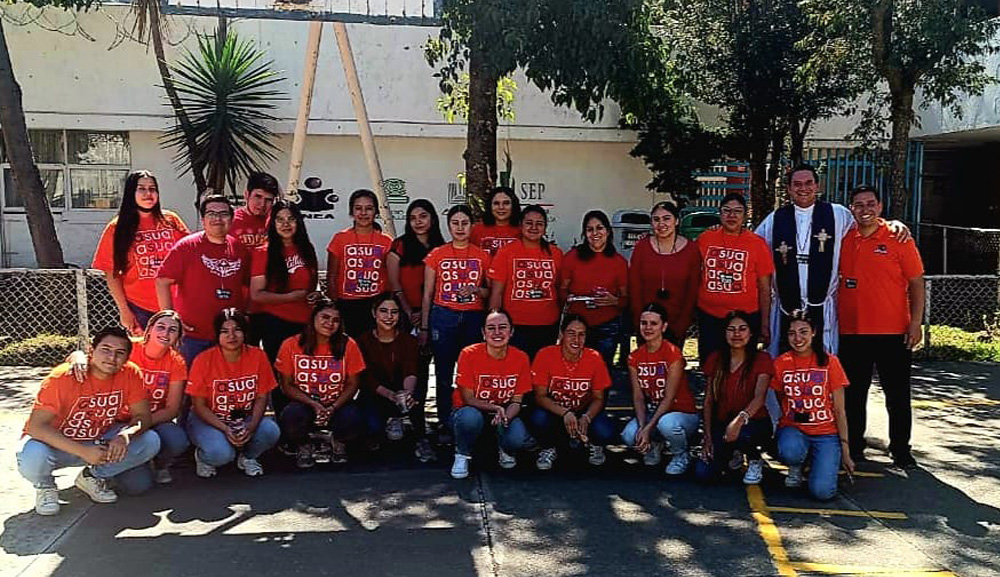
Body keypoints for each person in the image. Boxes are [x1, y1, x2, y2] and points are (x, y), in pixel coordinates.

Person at [755, 164, 909, 356]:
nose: (803, 188)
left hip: (824, 306)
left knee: (824, 359)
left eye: (809, 183)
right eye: (797, 184)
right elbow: (754, 246)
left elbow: (865, 225)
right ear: (789, 188)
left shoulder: (837, 213)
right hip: (786, 306)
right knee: (785, 359)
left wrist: (891, 224)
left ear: (817, 186)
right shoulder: (776, 218)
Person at [17, 327, 160, 516]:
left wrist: (125, 435)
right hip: (58, 443)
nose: (112, 358)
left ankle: (92, 476)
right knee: (31, 453)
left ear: (127, 358)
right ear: (91, 351)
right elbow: (36, 427)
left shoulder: (130, 373)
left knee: (150, 442)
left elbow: (143, 416)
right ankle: (45, 486)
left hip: (99, 439)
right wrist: (83, 452)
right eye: (106, 350)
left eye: (120, 353)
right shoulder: (63, 376)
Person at [838, 185, 925, 468]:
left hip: (893, 332)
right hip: (852, 332)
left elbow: (916, 282)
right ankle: (855, 446)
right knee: (854, 396)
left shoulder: (898, 237)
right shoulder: (844, 237)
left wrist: (915, 323)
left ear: (880, 206)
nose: (865, 209)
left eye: (870, 203)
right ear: (851, 209)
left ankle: (900, 449)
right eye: (859, 204)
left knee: (897, 395)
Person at [68, 311, 191, 485]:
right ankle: (101, 468)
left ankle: (159, 464)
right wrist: (78, 357)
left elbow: (172, 410)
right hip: (114, 419)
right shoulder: (130, 347)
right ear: (149, 329)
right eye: (160, 327)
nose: (165, 333)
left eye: (172, 330)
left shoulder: (176, 362)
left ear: (178, 337)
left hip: (150, 420)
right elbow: (89, 355)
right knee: (137, 485)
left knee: (177, 439)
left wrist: (138, 425)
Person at [156, 194, 251, 366]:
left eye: (223, 214)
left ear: (232, 219)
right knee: (189, 379)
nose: (217, 219)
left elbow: (247, 286)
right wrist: (171, 318)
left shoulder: (239, 249)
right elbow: (162, 281)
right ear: (203, 219)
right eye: (211, 214)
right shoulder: (186, 247)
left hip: (228, 337)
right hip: (192, 337)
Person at [421, 204, 491, 437]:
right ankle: (445, 420)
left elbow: (490, 291)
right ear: (448, 226)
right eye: (455, 223)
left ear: (472, 226)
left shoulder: (482, 255)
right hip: (444, 316)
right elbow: (427, 294)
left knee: (471, 373)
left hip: (473, 317)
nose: (460, 228)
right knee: (443, 372)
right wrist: (424, 327)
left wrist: (476, 289)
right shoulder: (437, 254)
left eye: (465, 223)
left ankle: (471, 419)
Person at [185, 309, 280, 478]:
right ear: (217, 335)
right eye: (224, 331)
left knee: (270, 431)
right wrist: (225, 428)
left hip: (245, 418)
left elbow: (262, 397)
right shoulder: (203, 360)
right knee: (220, 454)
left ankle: (248, 457)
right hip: (210, 419)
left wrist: (251, 426)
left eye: (237, 330)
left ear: (245, 332)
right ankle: (204, 458)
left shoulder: (258, 356)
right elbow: (199, 405)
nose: (231, 336)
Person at [92, 170, 188, 335]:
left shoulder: (171, 220)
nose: (148, 193)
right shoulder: (116, 228)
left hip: (176, 305)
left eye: (152, 189)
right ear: (131, 192)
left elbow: (190, 256)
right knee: (147, 351)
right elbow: (112, 274)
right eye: (141, 189)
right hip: (140, 309)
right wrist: (124, 310)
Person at [275, 299, 368, 467]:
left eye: (335, 320)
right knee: (291, 416)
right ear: (313, 318)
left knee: (353, 418)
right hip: (304, 403)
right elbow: (286, 385)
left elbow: (353, 383)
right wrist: (313, 404)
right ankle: (304, 445)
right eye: (325, 317)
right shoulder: (290, 344)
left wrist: (333, 407)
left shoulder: (349, 345)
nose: (330, 323)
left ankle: (338, 442)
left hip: (337, 403)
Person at [773, 310, 854, 500]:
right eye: (792, 333)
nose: (797, 338)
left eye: (803, 332)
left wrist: (845, 450)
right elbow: (781, 397)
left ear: (814, 332)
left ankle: (817, 464)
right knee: (790, 450)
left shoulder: (830, 362)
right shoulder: (780, 363)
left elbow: (840, 410)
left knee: (822, 492)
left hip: (826, 433)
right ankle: (797, 465)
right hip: (794, 428)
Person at [450, 309, 535, 479]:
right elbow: (468, 398)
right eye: (491, 328)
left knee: (518, 438)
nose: (497, 332)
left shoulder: (521, 357)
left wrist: (506, 417)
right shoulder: (468, 354)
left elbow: (517, 401)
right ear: (483, 332)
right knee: (469, 418)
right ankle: (462, 454)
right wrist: (495, 408)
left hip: (503, 412)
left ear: (511, 331)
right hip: (472, 410)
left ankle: (504, 447)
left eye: (502, 327)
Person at [694, 311, 774, 485]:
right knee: (703, 473)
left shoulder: (762, 359)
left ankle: (754, 458)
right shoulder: (715, 359)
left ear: (751, 333)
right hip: (723, 422)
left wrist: (738, 421)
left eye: (742, 329)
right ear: (724, 333)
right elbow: (708, 401)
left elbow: (759, 398)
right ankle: (733, 453)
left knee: (744, 435)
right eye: (731, 329)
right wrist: (707, 436)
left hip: (752, 422)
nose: (737, 334)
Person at [528, 315, 616, 470]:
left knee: (606, 431)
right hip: (555, 411)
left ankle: (594, 444)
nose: (576, 339)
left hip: (583, 410)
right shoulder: (545, 355)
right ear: (561, 334)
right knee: (537, 418)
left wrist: (587, 417)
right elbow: (540, 397)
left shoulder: (594, 357)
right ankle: (548, 447)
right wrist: (565, 413)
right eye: (571, 333)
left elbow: (599, 398)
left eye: (581, 334)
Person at [357, 293, 436, 463]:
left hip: (401, 389)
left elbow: (410, 370)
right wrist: (389, 395)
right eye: (383, 311)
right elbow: (366, 377)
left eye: (394, 312)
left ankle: (421, 438)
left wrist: (407, 394)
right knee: (372, 426)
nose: (389, 316)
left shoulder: (408, 341)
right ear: (374, 313)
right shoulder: (363, 340)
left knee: (416, 393)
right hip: (377, 392)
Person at [621, 303, 699, 475]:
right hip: (653, 413)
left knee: (667, 424)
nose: (648, 327)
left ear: (663, 327)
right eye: (644, 323)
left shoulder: (673, 353)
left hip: (681, 413)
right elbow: (638, 397)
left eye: (653, 323)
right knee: (629, 435)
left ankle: (681, 454)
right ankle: (655, 444)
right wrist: (642, 426)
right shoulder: (634, 357)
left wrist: (648, 428)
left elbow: (669, 398)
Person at [696, 193, 774, 362]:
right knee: (710, 366)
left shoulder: (757, 244)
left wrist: (765, 324)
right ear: (720, 214)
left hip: (746, 318)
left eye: (737, 211)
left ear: (745, 216)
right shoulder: (705, 239)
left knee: (743, 367)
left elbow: (765, 287)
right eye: (727, 210)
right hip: (710, 316)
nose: (732, 215)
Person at [250, 199, 321, 367]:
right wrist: (290, 297)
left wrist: (316, 295)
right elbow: (256, 294)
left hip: (305, 323)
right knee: (280, 373)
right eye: (280, 219)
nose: (285, 224)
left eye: (291, 219)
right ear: (272, 223)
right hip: (276, 324)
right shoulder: (263, 252)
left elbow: (313, 283)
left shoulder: (307, 249)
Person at [488, 204, 563, 359]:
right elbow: (497, 293)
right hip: (515, 327)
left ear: (545, 227)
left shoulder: (556, 254)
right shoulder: (506, 252)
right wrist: (494, 325)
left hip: (548, 326)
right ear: (521, 225)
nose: (534, 227)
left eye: (539, 223)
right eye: (529, 223)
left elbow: (560, 291)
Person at [559, 210, 628, 373]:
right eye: (590, 229)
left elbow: (625, 298)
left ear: (608, 231)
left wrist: (614, 301)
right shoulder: (572, 257)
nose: (595, 233)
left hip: (607, 326)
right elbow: (562, 290)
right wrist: (571, 299)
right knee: (574, 370)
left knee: (602, 371)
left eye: (599, 228)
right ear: (584, 234)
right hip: (577, 325)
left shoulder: (619, 262)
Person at [628, 201, 700, 346]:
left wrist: (683, 323)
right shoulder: (642, 247)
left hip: (677, 322)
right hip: (647, 323)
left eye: (666, 218)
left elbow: (692, 290)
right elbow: (634, 287)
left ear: (676, 221)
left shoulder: (691, 250)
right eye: (656, 219)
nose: (661, 224)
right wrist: (640, 321)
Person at [326, 189, 394, 338]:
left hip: (375, 304)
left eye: (369, 208)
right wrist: (335, 306)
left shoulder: (386, 241)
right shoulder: (340, 239)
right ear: (351, 212)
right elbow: (331, 276)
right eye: (358, 208)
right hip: (346, 305)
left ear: (376, 212)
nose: (363, 213)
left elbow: (391, 278)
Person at [387, 198, 445, 332]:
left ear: (433, 218)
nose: (418, 222)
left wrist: (425, 312)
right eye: (413, 218)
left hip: (434, 311)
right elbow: (394, 283)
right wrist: (409, 312)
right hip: (404, 312)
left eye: (423, 216)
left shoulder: (441, 248)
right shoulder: (399, 245)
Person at [230, 171, 279, 249]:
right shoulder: (230, 221)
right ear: (247, 195)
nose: (262, 204)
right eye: (258, 197)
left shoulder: (276, 222)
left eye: (268, 200)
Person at [470, 186, 521, 257]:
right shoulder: (477, 230)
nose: (501, 207)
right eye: (496, 203)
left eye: (506, 203)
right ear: (490, 206)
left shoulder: (522, 230)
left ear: (513, 205)